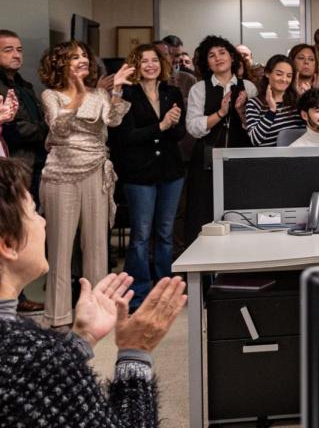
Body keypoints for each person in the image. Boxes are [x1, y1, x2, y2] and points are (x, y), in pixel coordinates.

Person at [0, 158, 187, 427]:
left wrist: (80, 340)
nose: (43, 222)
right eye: (33, 212)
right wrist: (136, 353)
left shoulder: (36, 358)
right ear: (8, 243)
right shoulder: (33, 356)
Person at [38, 41, 134, 329]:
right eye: (74, 57)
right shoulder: (50, 95)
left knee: (96, 247)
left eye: (84, 56)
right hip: (60, 175)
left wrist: (115, 90)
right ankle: (58, 316)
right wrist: (78, 95)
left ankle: (98, 311)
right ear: (60, 64)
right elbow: (59, 127)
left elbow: (114, 121)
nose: (82, 60)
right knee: (60, 249)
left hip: (95, 171)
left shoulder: (99, 94)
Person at [110, 44, 186, 310]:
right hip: (139, 174)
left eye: (155, 60)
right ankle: (139, 294)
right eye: (144, 61)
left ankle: (165, 290)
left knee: (165, 233)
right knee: (141, 236)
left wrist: (173, 124)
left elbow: (179, 136)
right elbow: (123, 137)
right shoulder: (126, 94)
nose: (151, 65)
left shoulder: (172, 92)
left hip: (170, 172)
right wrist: (161, 126)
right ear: (135, 65)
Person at [185, 36, 256, 244]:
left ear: (232, 57)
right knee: (203, 214)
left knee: (239, 213)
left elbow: (255, 128)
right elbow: (194, 127)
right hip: (207, 160)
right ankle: (203, 272)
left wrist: (241, 112)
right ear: (206, 62)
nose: (218, 58)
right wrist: (220, 113)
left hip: (240, 159)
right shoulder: (199, 89)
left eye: (222, 53)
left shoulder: (249, 87)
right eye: (211, 55)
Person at [0, 30, 48, 205]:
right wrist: (49, 129)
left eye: (19, 50)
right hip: (12, 165)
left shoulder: (24, 84)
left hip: (34, 162)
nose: (16, 55)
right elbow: (15, 130)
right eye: (8, 50)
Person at [244, 55, 304, 147]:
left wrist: (308, 101)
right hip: (270, 159)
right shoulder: (254, 104)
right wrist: (272, 110)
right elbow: (255, 140)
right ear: (267, 73)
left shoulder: (298, 102)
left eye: (289, 76)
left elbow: (315, 130)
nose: (284, 79)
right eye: (279, 74)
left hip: (298, 157)